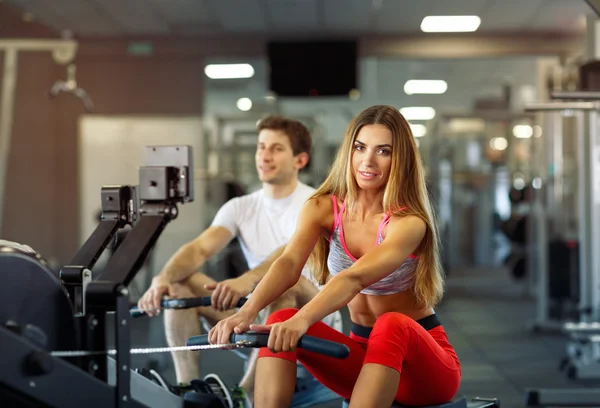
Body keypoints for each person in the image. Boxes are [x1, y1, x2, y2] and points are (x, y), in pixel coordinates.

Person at [209, 105, 461, 408]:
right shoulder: (322, 208)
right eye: (360, 147)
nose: (367, 161)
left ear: (400, 159)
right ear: (349, 151)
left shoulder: (408, 223)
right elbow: (289, 264)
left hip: (422, 372)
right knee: (280, 319)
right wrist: (245, 313)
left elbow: (354, 277)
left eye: (383, 151)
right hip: (361, 360)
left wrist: (303, 320)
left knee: (391, 323)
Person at [137, 115, 340, 405]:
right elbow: (200, 249)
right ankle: (187, 386)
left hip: (311, 314)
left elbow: (288, 257)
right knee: (182, 281)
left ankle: (246, 392)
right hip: (256, 311)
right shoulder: (240, 206)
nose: (265, 156)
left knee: (283, 286)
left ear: (300, 160)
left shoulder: (317, 204)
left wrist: (246, 281)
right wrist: (163, 278)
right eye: (261, 147)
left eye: (276, 148)